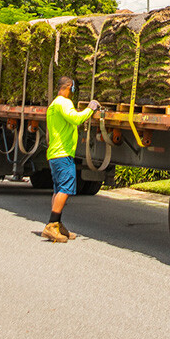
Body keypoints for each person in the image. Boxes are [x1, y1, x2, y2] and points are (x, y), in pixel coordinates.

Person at [42, 76, 100, 243]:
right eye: (73, 88)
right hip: (63, 154)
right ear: (69, 87)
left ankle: (57, 225)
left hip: (54, 154)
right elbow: (75, 118)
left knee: (58, 189)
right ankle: (51, 225)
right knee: (66, 189)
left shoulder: (53, 104)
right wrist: (90, 108)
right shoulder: (64, 103)